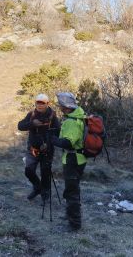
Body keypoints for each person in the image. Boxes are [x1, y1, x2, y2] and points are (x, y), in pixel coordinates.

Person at [50, 92, 86, 231]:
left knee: (71, 191)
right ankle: (70, 215)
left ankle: (75, 224)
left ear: (66, 107)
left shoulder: (72, 122)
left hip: (73, 159)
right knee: (72, 188)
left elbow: (68, 143)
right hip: (77, 158)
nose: (59, 107)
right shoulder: (78, 116)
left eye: (61, 104)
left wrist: (52, 139)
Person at [17, 94, 60, 202]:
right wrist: (32, 124)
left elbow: (58, 133)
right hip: (32, 150)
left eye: (42, 103)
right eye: (38, 103)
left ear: (47, 104)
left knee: (45, 173)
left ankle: (45, 196)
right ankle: (38, 188)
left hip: (47, 150)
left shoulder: (53, 116)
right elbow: (20, 126)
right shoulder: (31, 114)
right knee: (28, 171)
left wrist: (48, 143)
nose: (39, 105)